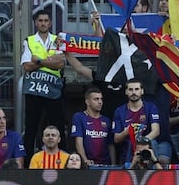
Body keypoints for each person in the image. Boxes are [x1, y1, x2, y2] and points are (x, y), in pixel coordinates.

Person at [20, 9, 65, 152]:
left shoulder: (57, 40)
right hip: (34, 89)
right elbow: (26, 66)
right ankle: (28, 162)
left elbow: (60, 64)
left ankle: (61, 159)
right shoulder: (29, 40)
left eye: (46, 21)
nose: (43, 23)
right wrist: (49, 61)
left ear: (50, 23)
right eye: (40, 21)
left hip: (53, 89)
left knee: (57, 125)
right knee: (31, 127)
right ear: (35, 23)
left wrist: (38, 60)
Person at [70, 87, 116, 166]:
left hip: (105, 165)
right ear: (87, 102)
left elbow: (110, 144)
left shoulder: (106, 120)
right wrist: (85, 160)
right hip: (88, 165)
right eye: (96, 99)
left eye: (101, 99)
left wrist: (113, 164)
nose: (100, 102)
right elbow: (78, 142)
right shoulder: (79, 117)